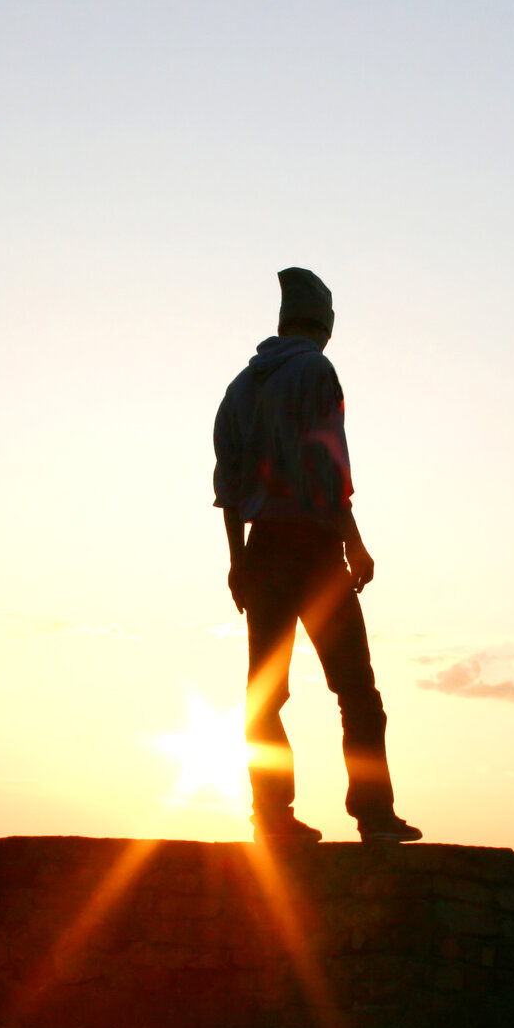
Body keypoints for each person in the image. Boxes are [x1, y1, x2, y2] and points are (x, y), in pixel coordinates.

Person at [213, 267, 421, 844]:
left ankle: (271, 817)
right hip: (313, 547)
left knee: (265, 694)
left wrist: (237, 561)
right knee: (356, 690)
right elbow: (328, 463)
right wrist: (353, 540)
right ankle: (374, 815)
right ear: (325, 324)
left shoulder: (240, 387)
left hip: (262, 549)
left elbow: (229, 485)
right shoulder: (316, 371)